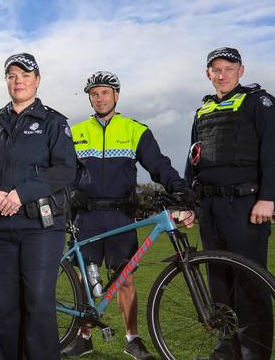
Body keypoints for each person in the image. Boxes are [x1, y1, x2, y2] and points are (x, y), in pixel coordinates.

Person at [62, 71, 195, 359]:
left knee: (124, 280)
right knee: (87, 279)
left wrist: (180, 189)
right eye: (94, 93)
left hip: (120, 216)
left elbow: (159, 165)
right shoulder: (76, 132)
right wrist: (70, 194)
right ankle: (84, 336)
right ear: (89, 97)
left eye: (105, 92)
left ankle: (131, 337)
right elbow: (64, 173)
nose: (99, 98)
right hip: (86, 216)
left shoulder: (135, 129)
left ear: (116, 95)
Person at [0, 53, 77, 360]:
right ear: (6, 81)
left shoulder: (54, 122)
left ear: (37, 80)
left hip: (40, 227)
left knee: (38, 304)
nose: (19, 81)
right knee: (5, 307)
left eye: (26, 75)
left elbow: (66, 169)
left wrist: (20, 193)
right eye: (13, 76)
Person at [185, 47, 275, 359]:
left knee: (249, 282)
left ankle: (254, 351)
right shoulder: (202, 111)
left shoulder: (258, 103)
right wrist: (188, 202)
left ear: (241, 70)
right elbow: (193, 159)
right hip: (211, 209)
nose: (222, 75)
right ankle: (228, 346)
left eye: (228, 68)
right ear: (208, 74)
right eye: (216, 70)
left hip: (246, 205)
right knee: (219, 282)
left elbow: (271, 151)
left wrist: (268, 197)